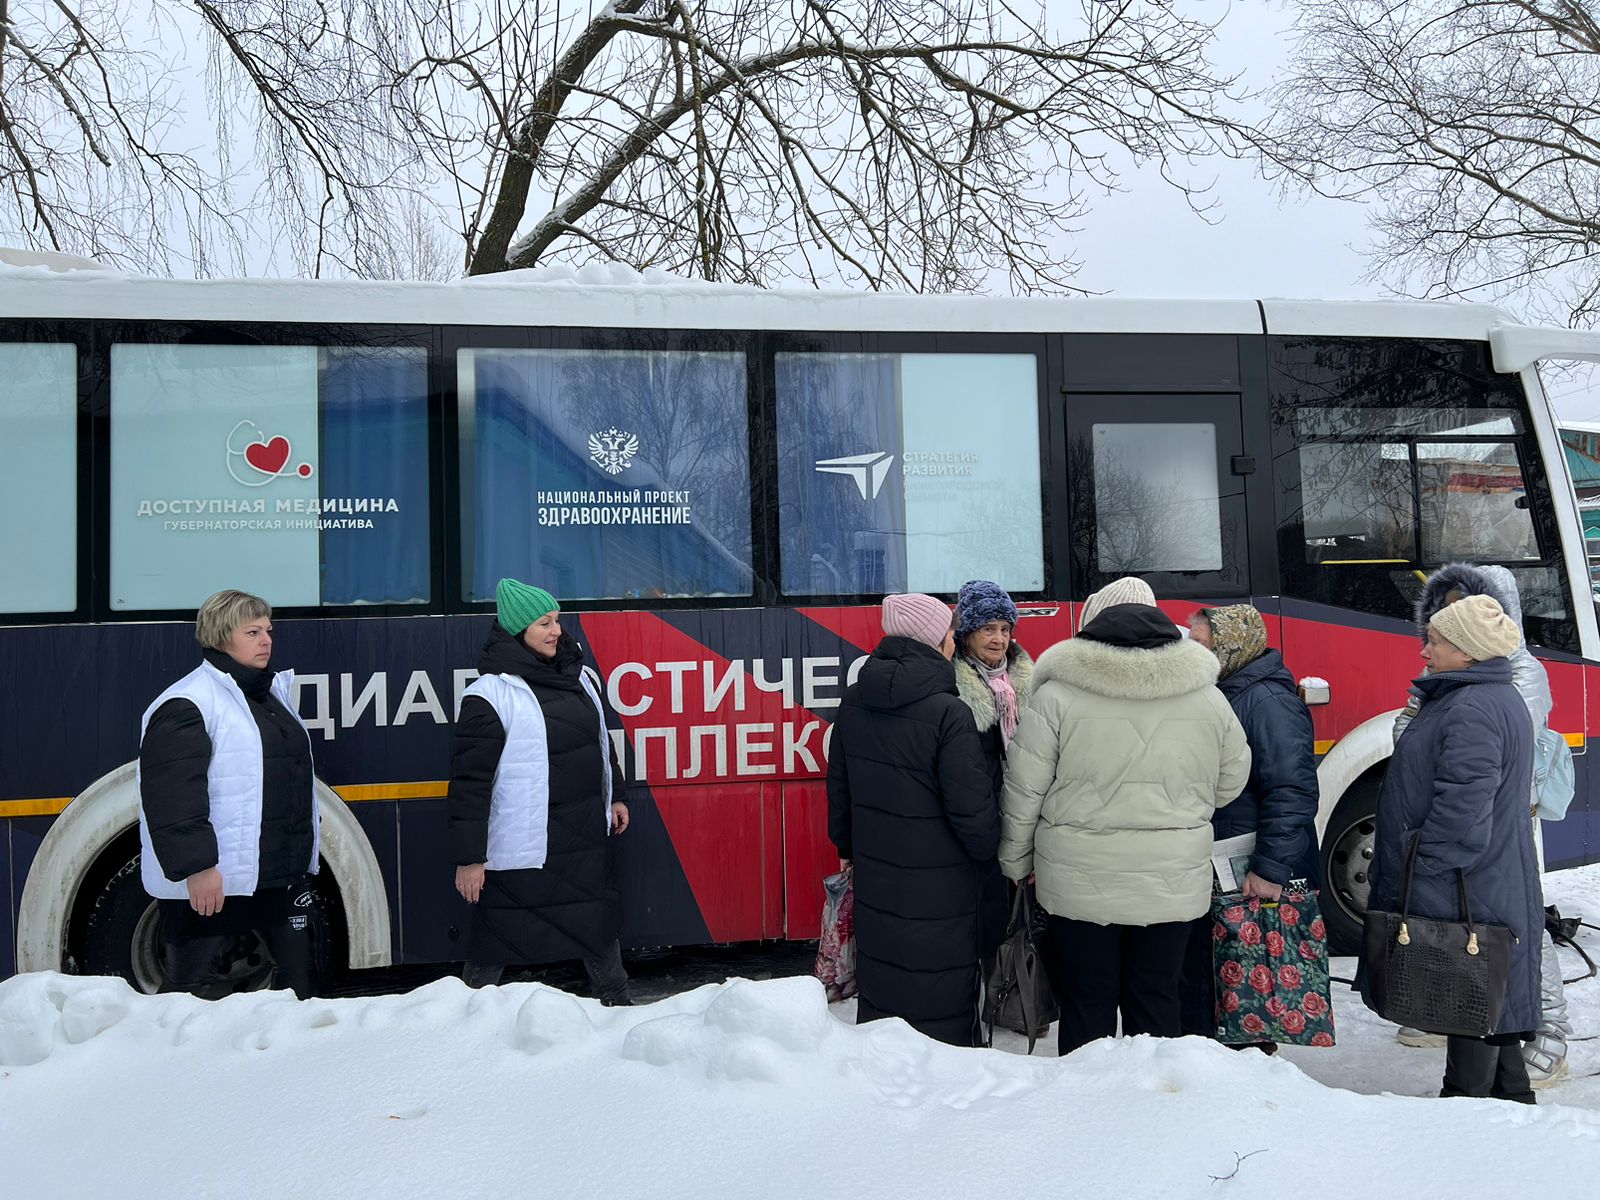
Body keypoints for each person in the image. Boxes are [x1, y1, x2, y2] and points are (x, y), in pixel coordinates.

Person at [1000, 577, 1250, 1055]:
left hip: (1078, 884)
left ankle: (1088, 1115)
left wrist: (1015, 864)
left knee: (1087, 1004)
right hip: (1172, 883)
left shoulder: (1057, 695)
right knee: (1157, 1001)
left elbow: (1023, 790)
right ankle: (1153, 1116)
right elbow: (1232, 778)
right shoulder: (1206, 694)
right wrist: (1182, 811)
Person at [1391, 563, 1571, 1086]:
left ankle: (1546, 1035)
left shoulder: (1500, 686)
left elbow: (1470, 782)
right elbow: (1411, 729)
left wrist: (1424, 858)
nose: (1427, 646)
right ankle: (1505, 1088)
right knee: (1477, 948)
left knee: (1504, 942)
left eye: (1455, 611)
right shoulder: (1457, 681)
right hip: (1484, 838)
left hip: (1496, 834)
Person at [1360, 594, 1543, 1103]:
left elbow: (1465, 804)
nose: (1424, 651)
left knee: (1466, 988)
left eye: (1435, 641)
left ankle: (1463, 1110)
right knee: (1489, 993)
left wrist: (1425, 860)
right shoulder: (1477, 697)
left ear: (1467, 652)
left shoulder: (1474, 706)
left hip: (1467, 877)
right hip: (1483, 875)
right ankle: (1515, 1105)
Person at [827, 592, 999, 1046]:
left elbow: (839, 790)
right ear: (935, 640)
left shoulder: (854, 701)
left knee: (885, 987)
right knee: (941, 992)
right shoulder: (949, 712)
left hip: (878, 875)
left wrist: (847, 849)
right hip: (944, 885)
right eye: (949, 633)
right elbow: (973, 813)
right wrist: (989, 857)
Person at [449, 579, 632, 1004]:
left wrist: (615, 795)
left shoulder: (582, 677)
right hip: (525, 846)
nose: (557, 631)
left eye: (557, 621)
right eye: (544, 623)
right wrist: (469, 858)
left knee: (595, 923)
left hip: (583, 834)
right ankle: (461, 1018)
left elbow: (600, 743)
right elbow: (469, 784)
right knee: (498, 934)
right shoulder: (491, 694)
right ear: (518, 631)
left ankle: (619, 1004)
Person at [137, 589, 321, 999]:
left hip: (276, 875)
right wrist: (198, 869)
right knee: (191, 992)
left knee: (300, 990)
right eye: (252, 631)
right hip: (217, 886)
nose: (266, 640)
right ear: (222, 637)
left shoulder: (268, 696)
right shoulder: (187, 702)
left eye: (268, 630)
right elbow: (172, 796)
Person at [1181, 604, 1321, 1043]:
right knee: (1226, 970)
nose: (1192, 652)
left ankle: (1250, 1067)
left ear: (1232, 646)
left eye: (1202, 645)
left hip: (1248, 866)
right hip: (1225, 858)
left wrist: (1269, 869)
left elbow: (1293, 791)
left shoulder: (1268, 702)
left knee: (1249, 975)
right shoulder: (1229, 690)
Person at [951, 579, 1035, 953]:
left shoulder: (1026, 681)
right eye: (988, 628)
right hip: (979, 821)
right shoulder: (952, 685)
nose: (998, 638)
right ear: (967, 633)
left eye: (1004, 629)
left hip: (1021, 810)